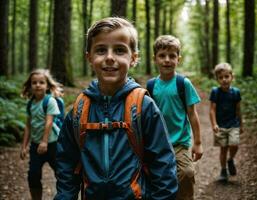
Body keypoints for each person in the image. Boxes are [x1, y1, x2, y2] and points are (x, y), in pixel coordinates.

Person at [54, 17, 178, 200]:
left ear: (133, 57)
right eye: (101, 50)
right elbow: (66, 163)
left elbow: (163, 164)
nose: (110, 57)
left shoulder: (143, 106)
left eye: (120, 50)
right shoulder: (80, 109)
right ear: (89, 56)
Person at [146, 35, 203, 200]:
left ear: (179, 59)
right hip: (158, 143)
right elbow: (148, 116)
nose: (167, 60)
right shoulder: (151, 86)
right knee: (158, 178)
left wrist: (198, 143)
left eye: (172, 56)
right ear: (154, 59)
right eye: (162, 56)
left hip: (180, 142)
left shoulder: (183, 83)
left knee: (186, 172)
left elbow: (192, 114)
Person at [20, 69, 62, 200]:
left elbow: (49, 123)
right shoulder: (30, 104)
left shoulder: (50, 101)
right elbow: (28, 126)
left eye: (41, 82)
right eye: (34, 83)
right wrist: (24, 146)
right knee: (33, 175)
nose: (38, 85)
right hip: (36, 146)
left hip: (52, 145)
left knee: (61, 174)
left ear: (47, 86)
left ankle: (64, 196)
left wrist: (44, 142)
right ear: (30, 86)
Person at [209, 63, 243, 182]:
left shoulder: (236, 92)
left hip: (233, 123)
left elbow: (238, 109)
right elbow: (212, 110)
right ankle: (223, 170)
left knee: (234, 144)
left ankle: (230, 159)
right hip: (221, 125)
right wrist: (214, 124)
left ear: (232, 77)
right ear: (217, 79)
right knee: (223, 149)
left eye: (226, 76)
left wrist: (241, 124)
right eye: (221, 77)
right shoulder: (215, 92)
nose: (224, 80)